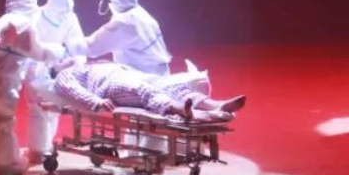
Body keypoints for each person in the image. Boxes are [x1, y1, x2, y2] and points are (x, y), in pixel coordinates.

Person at [0, 0, 65, 175]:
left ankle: (5, 159)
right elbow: (37, 52)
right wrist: (59, 51)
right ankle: (3, 163)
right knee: (3, 123)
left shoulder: (2, 22)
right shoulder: (20, 25)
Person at [51, 58, 246, 123]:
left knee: (172, 86)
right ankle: (181, 110)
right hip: (107, 85)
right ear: (57, 68)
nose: (67, 58)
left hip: (128, 74)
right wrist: (96, 101)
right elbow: (73, 91)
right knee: (143, 90)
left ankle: (217, 105)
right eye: (61, 60)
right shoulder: (64, 75)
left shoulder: (90, 64)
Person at [23, 0, 88, 163]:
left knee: (54, 108)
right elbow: (32, 48)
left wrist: (75, 61)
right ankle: (37, 150)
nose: (63, 17)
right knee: (39, 107)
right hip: (36, 66)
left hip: (57, 66)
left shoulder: (70, 17)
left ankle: (46, 145)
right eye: (60, 13)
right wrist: (46, 62)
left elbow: (77, 43)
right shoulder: (36, 18)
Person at [83, 0, 170, 75]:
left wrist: (69, 43)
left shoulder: (123, 23)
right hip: (161, 75)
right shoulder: (141, 14)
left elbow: (91, 47)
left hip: (143, 79)